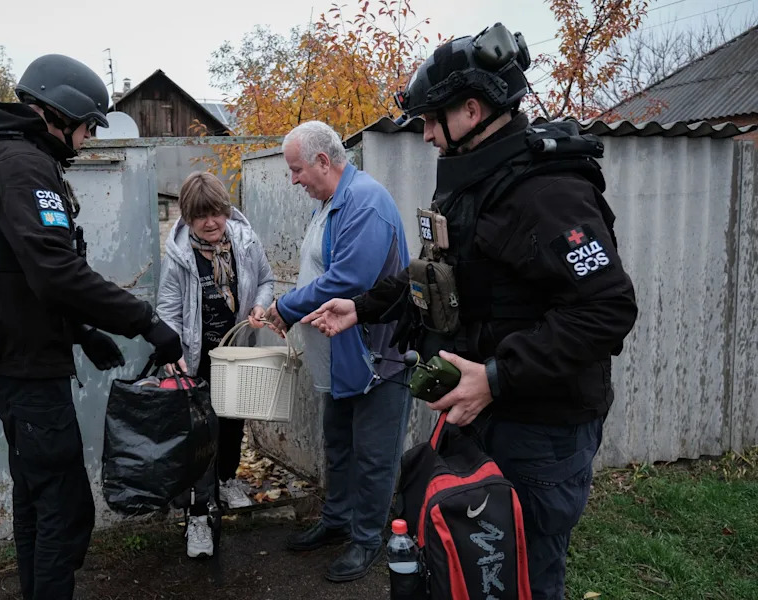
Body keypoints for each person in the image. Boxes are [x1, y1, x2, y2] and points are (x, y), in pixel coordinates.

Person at [303, 24, 639, 599]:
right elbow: (440, 276)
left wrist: (497, 376)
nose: (427, 134)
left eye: (432, 120)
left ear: (472, 110)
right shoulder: (477, 183)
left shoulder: (548, 193)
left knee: (525, 576)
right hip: (487, 416)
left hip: (539, 430)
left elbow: (607, 308)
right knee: (477, 571)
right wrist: (361, 308)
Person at [0, 54, 182, 600]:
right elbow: (54, 269)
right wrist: (146, 322)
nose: (87, 139)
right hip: (26, 364)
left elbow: (17, 269)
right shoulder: (21, 164)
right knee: (63, 508)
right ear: (60, 113)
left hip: (10, 352)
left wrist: (79, 332)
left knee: (35, 493)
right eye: (86, 126)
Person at [263, 121, 412, 582]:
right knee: (340, 445)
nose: (294, 180)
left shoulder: (365, 202)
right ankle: (337, 520)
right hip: (341, 357)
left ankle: (367, 539)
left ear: (323, 161)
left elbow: (349, 280)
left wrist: (286, 307)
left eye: (296, 170)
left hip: (377, 358)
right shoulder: (332, 201)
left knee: (374, 456)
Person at [156, 171, 275, 558]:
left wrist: (259, 306)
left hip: (235, 355)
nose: (210, 223)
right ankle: (197, 517)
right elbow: (168, 310)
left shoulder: (245, 241)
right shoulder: (179, 256)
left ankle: (225, 481)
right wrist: (172, 350)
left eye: (216, 213)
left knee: (232, 423)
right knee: (198, 439)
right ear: (187, 217)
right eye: (200, 216)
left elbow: (266, 281)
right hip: (194, 362)